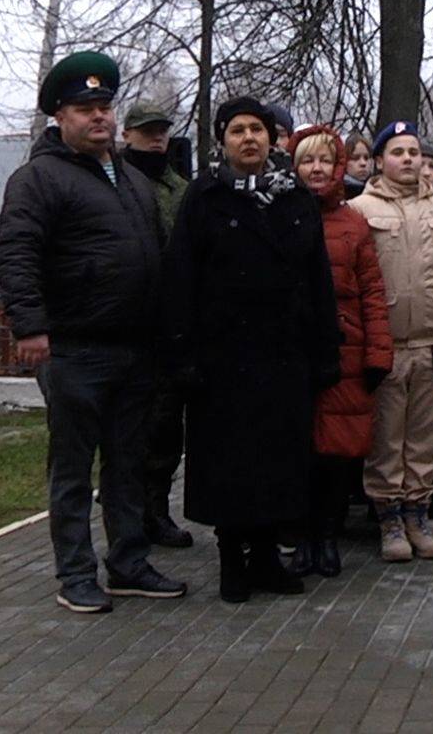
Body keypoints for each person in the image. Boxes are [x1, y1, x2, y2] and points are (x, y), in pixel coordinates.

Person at [0, 51, 185, 614]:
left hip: (134, 349)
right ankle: (76, 573)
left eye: (105, 106)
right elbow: (17, 253)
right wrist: (30, 326)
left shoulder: (131, 180)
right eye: (85, 108)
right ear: (60, 117)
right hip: (74, 348)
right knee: (73, 469)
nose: (99, 116)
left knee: (128, 464)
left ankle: (128, 562)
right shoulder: (38, 179)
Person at [166, 96, 339, 603]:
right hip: (223, 360)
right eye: (238, 130)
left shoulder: (294, 198)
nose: (249, 138)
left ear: (272, 138)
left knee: (278, 461)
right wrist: (182, 354)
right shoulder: (204, 197)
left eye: (257, 130)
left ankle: (266, 558)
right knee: (229, 463)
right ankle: (231, 560)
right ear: (222, 140)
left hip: (285, 355)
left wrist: (325, 350)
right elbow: (181, 278)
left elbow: (318, 279)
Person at [348, 120, 433, 559]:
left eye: (414, 152)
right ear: (379, 160)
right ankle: (389, 522)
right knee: (386, 440)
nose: (407, 159)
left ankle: (417, 517)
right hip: (385, 348)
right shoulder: (359, 211)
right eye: (397, 152)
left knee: (424, 440)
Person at [286, 125, 392, 577]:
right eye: (307, 161)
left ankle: (327, 536)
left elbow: (372, 291)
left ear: (338, 166)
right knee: (297, 450)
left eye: (324, 160)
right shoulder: (280, 213)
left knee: (335, 451)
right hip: (292, 354)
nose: (316, 169)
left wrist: (378, 354)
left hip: (344, 353)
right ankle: (300, 537)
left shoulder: (353, 222)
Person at [118, 99, 193, 550]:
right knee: (126, 432)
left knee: (165, 428)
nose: (156, 137)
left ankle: (156, 512)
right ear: (127, 134)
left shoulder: (179, 187)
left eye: (162, 130)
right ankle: (127, 517)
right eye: (147, 130)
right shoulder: (113, 181)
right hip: (124, 325)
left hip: (169, 327)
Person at [343, 133, 374, 199]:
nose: (363, 163)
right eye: (355, 158)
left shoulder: (378, 189)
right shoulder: (337, 195)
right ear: (344, 162)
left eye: (366, 158)